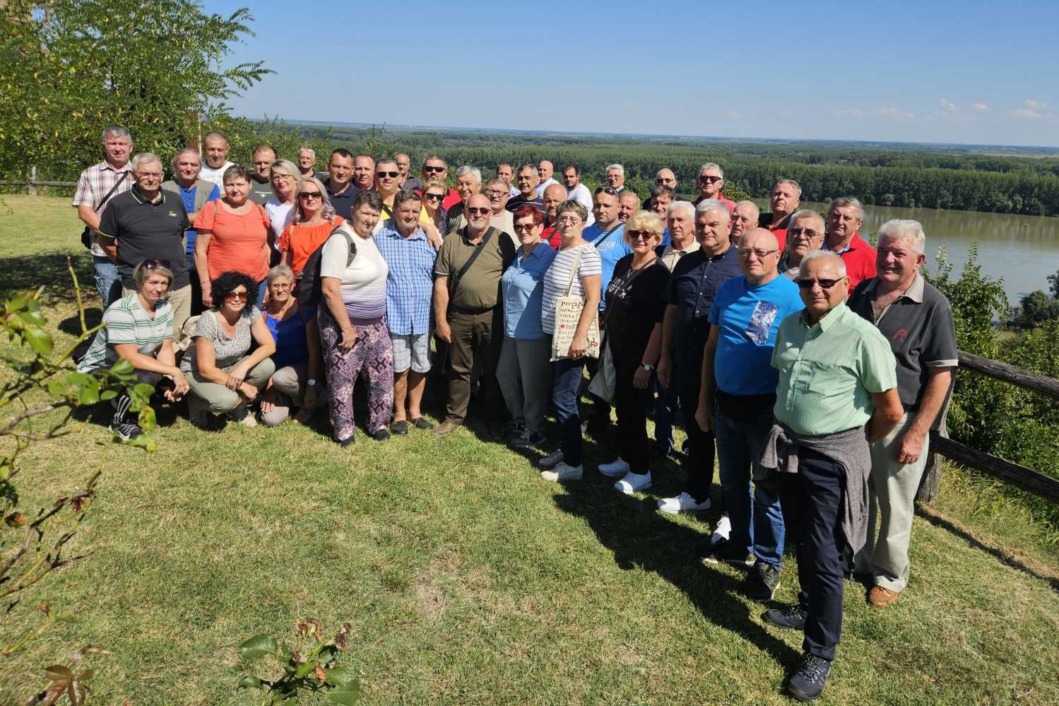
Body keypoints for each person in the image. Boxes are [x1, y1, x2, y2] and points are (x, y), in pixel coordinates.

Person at [761, 251, 903, 703]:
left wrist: (853, 445)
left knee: (825, 554)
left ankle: (820, 651)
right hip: (790, 451)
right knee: (801, 537)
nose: (815, 290)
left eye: (825, 282)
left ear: (845, 285)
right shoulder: (789, 327)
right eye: (807, 283)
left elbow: (891, 411)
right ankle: (807, 606)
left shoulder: (863, 337)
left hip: (830, 458)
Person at [848, 219, 958, 608]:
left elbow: (941, 376)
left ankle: (890, 576)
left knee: (896, 501)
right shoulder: (862, 292)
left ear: (919, 260)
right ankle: (859, 559)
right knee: (859, 492)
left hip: (903, 420)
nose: (888, 259)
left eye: (899, 253)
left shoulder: (933, 305)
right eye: (883, 251)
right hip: (858, 415)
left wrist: (917, 434)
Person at [694, 229, 803, 603]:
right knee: (733, 482)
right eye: (746, 250)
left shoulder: (793, 297)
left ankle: (768, 563)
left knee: (767, 490)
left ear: (778, 254)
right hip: (726, 404)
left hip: (766, 412)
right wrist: (703, 400)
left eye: (761, 251)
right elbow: (712, 345)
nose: (751, 256)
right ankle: (740, 543)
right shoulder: (728, 289)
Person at [655, 200, 742, 515]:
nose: (706, 230)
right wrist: (664, 356)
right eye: (702, 224)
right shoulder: (686, 264)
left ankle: (733, 510)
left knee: (733, 443)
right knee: (697, 430)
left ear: (729, 227)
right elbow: (671, 310)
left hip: (729, 368)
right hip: (688, 364)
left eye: (713, 225)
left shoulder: (741, 266)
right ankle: (698, 493)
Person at [596, 211, 670, 494]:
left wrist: (647, 365)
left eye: (647, 235)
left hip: (639, 355)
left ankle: (641, 470)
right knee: (623, 408)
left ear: (656, 239)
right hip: (616, 349)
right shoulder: (625, 262)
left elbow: (659, 325)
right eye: (635, 234)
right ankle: (625, 456)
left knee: (635, 410)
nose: (640, 239)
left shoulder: (658, 274)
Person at [77, 260, 189, 441]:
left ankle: (120, 398)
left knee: (167, 391)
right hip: (98, 370)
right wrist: (174, 371)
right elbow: (129, 358)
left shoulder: (164, 308)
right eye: (153, 283)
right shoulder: (121, 311)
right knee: (146, 378)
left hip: (132, 367)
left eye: (164, 283)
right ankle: (122, 422)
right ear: (140, 283)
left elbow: (165, 348)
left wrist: (169, 381)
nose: (159, 289)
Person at [433, 194, 516, 436]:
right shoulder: (451, 241)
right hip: (459, 315)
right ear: (465, 211)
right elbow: (440, 283)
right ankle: (454, 416)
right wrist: (441, 320)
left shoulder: (503, 240)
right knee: (459, 368)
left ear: (491, 213)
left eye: (484, 210)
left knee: (492, 369)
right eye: (473, 210)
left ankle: (493, 418)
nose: (478, 214)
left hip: (492, 316)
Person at [317, 190, 394, 445]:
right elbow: (329, 288)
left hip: (376, 324)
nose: (370, 219)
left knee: (381, 377)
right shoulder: (341, 239)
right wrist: (346, 329)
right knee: (342, 379)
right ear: (353, 211)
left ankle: (379, 422)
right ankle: (344, 430)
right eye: (365, 213)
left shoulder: (372, 238)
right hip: (344, 325)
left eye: (374, 214)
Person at [537, 201, 602, 482]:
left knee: (564, 397)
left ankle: (574, 463)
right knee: (560, 395)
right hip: (555, 332)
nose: (566, 223)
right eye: (562, 218)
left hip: (571, 336)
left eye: (573, 219)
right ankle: (566, 448)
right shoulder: (561, 250)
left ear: (583, 222)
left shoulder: (587, 253)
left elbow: (593, 298)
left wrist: (579, 337)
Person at [96, 152, 192, 339]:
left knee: (177, 336)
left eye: (155, 174)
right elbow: (106, 242)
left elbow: (179, 234)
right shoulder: (118, 205)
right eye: (145, 174)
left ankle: (169, 367)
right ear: (133, 175)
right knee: (141, 337)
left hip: (178, 283)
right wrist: (131, 266)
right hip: (138, 286)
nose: (151, 179)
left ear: (162, 176)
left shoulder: (175, 200)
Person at [375, 191, 438, 434]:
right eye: (405, 211)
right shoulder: (381, 237)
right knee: (399, 367)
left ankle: (415, 411)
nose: (410, 215)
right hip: (396, 314)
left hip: (423, 315)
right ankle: (399, 413)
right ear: (396, 212)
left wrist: (429, 227)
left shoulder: (429, 239)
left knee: (421, 364)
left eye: (414, 211)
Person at [181, 271, 277, 428]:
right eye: (231, 295)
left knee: (267, 365)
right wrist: (243, 386)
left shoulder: (250, 312)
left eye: (242, 295)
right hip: (198, 373)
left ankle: (238, 408)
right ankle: (196, 403)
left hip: (230, 368)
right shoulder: (208, 320)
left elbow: (269, 345)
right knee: (226, 401)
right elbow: (206, 370)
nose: (237, 299)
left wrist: (243, 368)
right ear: (221, 296)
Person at [498, 205, 557, 448]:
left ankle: (535, 430)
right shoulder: (519, 255)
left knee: (533, 385)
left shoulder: (549, 257)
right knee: (504, 375)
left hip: (533, 332)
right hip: (510, 329)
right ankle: (519, 420)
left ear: (541, 227)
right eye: (518, 226)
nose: (523, 230)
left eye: (529, 226)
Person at [73, 125, 136, 305]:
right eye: (112, 143)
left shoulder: (141, 173)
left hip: (138, 249)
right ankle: (111, 333)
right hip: (105, 251)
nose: (118, 148)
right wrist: (112, 237)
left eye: (122, 144)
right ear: (104, 147)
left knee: (140, 300)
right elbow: (84, 211)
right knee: (112, 302)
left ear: (131, 147)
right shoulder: (90, 174)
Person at [193, 164, 271, 309]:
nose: (235, 190)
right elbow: (200, 252)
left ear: (250, 185)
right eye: (230, 185)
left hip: (258, 283)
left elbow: (265, 246)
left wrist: (268, 281)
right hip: (224, 284)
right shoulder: (212, 209)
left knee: (255, 325)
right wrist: (205, 286)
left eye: (240, 184)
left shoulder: (259, 209)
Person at [259, 265, 322, 427]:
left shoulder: (304, 311)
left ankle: (313, 400)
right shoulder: (263, 315)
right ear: (269, 288)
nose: (280, 290)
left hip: (303, 370)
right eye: (275, 285)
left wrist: (311, 386)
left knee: (281, 378)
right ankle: (294, 399)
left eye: (284, 285)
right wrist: (270, 388)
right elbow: (265, 355)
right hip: (277, 375)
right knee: (269, 420)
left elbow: (314, 352)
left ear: (292, 286)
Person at [161, 147, 220, 314]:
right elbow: (162, 219)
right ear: (175, 166)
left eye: (193, 164)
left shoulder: (210, 188)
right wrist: (198, 216)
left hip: (204, 253)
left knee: (204, 300)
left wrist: (177, 218)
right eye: (183, 163)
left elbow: (212, 216)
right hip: (174, 253)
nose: (188, 168)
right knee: (175, 300)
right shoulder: (164, 188)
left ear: (200, 167)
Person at [277, 177, 344, 277]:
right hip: (299, 287)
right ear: (298, 199)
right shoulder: (292, 229)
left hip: (326, 284)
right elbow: (285, 265)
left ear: (322, 197)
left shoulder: (336, 223)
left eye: (315, 194)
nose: (310, 198)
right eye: (305, 195)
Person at [582, 186, 631, 312]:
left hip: (608, 309)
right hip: (581, 305)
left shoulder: (628, 235)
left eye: (607, 206)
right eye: (597, 205)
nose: (601, 210)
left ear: (619, 207)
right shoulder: (584, 233)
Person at [824, 196, 876, 290]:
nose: (840, 222)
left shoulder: (870, 257)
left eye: (847, 218)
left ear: (858, 224)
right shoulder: (813, 244)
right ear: (828, 217)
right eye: (836, 216)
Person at [265, 159, 303, 260]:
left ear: (295, 178)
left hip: (304, 256)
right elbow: (269, 237)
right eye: (276, 178)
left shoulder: (306, 200)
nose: (280, 181)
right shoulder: (271, 205)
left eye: (285, 176)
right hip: (280, 256)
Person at [779, 210, 826, 279]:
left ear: (821, 241)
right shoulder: (771, 270)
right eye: (796, 231)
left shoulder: (825, 276)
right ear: (787, 236)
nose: (801, 237)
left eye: (809, 233)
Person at [759, 179, 801, 250]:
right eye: (777, 194)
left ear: (796, 203)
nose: (780, 197)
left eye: (786, 195)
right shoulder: (757, 221)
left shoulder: (797, 229)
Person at [324, 149, 359, 219]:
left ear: (352, 170)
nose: (341, 172)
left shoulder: (359, 197)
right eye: (336, 166)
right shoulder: (316, 192)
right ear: (327, 166)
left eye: (346, 168)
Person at [374, 158, 402, 225]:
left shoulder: (412, 201)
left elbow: (428, 229)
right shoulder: (368, 202)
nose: (387, 178)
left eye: (392, 174)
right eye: (382, 174)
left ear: (400, 178)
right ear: (375, 178)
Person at [541, 182, 567, 248]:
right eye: (548, 201)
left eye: (556, 201)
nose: (552, 205)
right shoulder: (536, 225)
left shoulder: (570, 228)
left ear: (565, 202)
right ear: (543, 202)